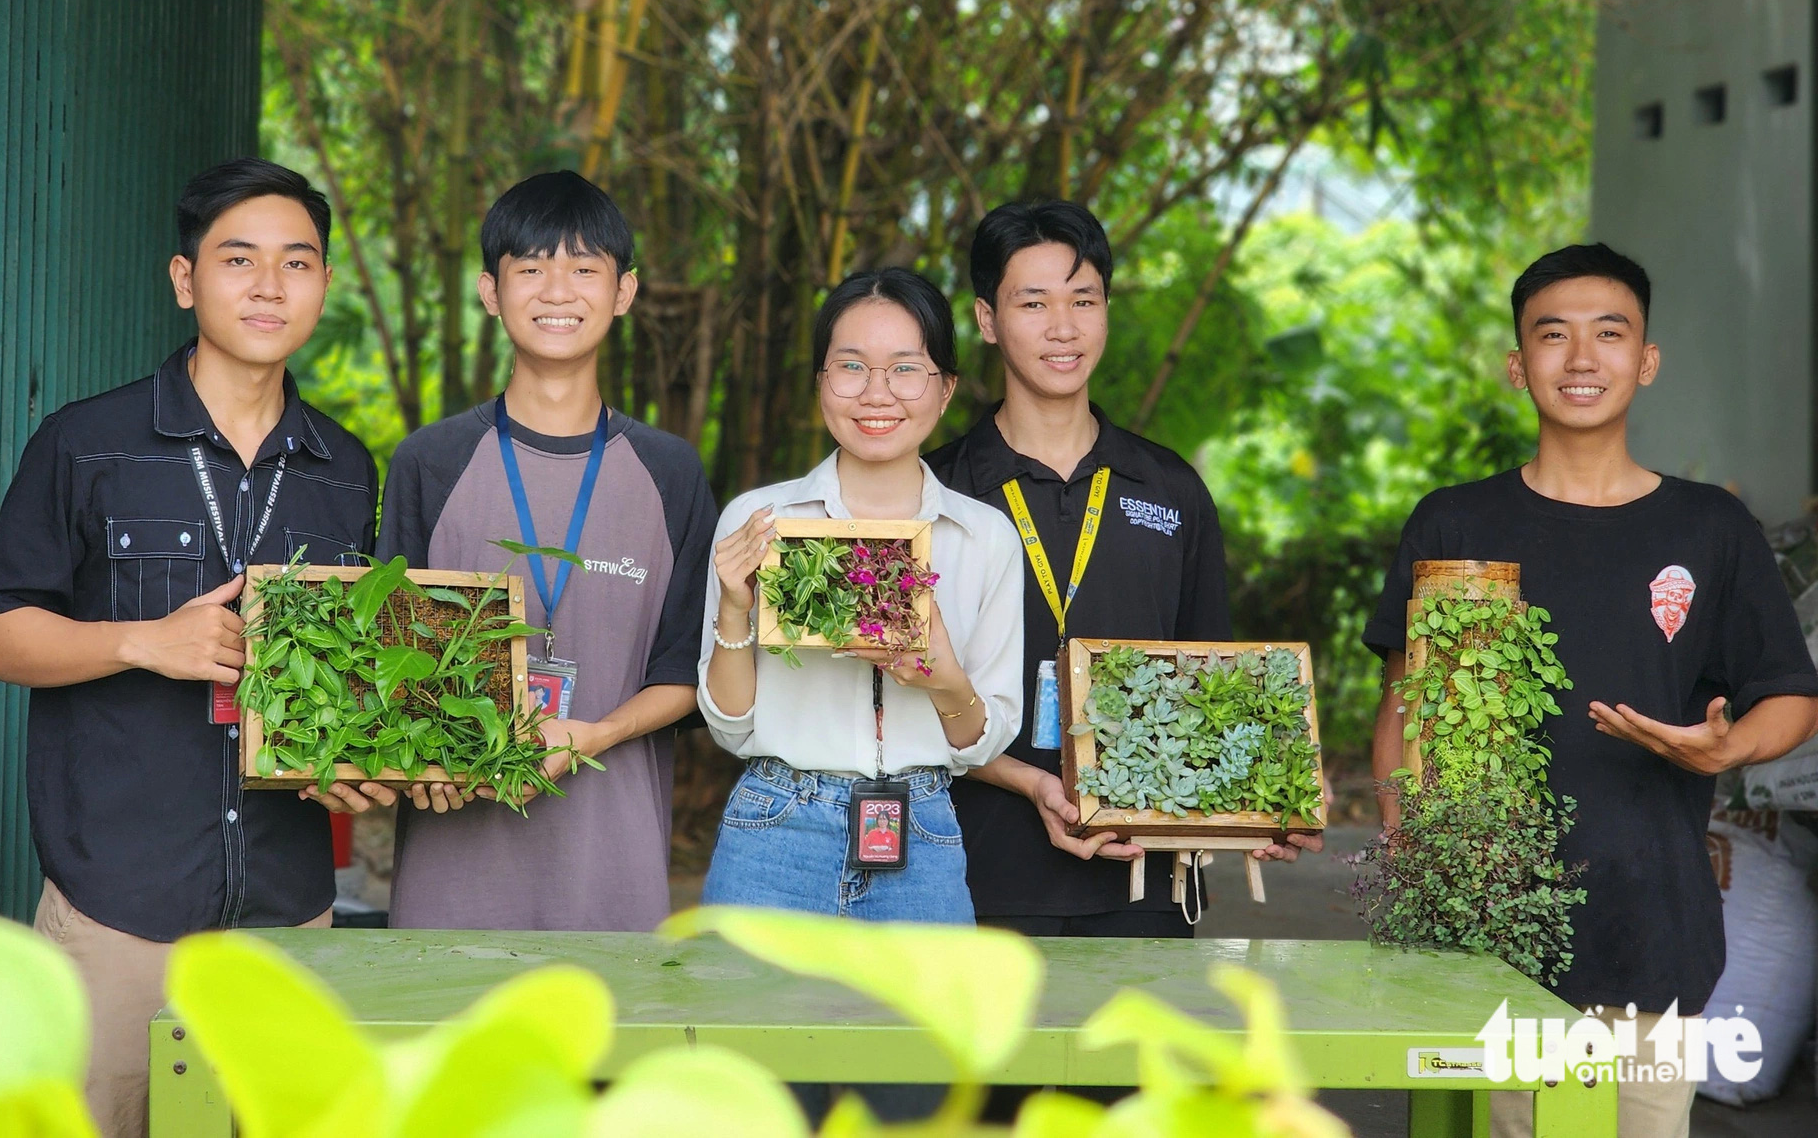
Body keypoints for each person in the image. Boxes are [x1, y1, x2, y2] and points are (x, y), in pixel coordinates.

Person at [0, 159, 380, 1138]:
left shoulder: (345, 468)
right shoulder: (86, 444)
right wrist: (146, 641)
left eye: (297, 262)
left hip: (287, 912)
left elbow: (348, 680)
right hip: (118, 911)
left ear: (322, 283)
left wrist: (354, 757)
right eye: (239, 260)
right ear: (186, 279)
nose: (269, 286)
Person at [1362, 242, 1818, 1138]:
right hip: (1486, 935)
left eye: (1609, 334)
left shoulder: (1711, 527)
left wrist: (1729, 747)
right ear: (1516, 364)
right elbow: (1402, 709)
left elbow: (1792, 697)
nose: (1581, 359)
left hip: (1652, 930)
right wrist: (1414, 859)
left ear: (1645, 361)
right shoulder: (1456, 522)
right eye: (1553, 335)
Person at [926, 199, 1319, 950]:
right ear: (985, 319)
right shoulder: (939, 494)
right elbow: (898, 698)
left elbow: (1213, 679)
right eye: (1033, 303)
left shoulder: (1169, 489)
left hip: (1145, 882)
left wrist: (1262, 803)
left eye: (1084, 300)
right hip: (971, 877)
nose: (1063, 327)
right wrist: (1025, 783)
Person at [374, 170, 714, 931]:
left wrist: (593, 734)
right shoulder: (430, 462)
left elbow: (688, 672)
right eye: (530, 268)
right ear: (489, 292)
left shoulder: (671, 472)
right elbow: (390, 662)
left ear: (624, 292)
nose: (557, 290)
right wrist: (418, 762)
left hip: (611, 867)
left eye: (584, 268)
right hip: (453, 868)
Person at [700, 267, 1024, 923]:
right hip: (774, 828)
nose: (877, 393)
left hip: (923, 833)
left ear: (945, 389)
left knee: (927, 1030)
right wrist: (736, 609)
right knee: (746, 1029)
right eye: (851, 366)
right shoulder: (758, 520)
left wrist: (943, 678)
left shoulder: (985, 537)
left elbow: (980, 742)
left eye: (906, 369)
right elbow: (731, 728)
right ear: (821, 382)